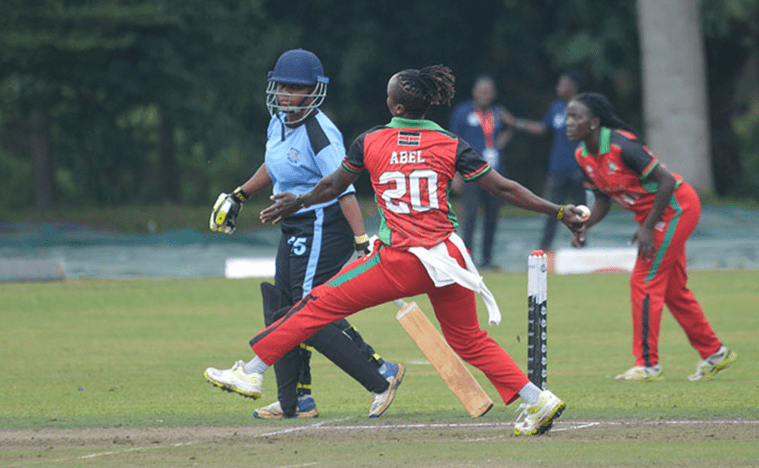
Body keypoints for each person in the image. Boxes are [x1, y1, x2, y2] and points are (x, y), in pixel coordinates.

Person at [204, 64, 588, 436]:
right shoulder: (448, 142)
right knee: (469, 340)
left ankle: (252, 370)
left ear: (397, 107)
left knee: (315, 304)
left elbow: (332, 186)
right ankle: (537, 399)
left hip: (401, 258)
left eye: (388, 95)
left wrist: (298, 201)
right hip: (448, 257)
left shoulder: (370, 141)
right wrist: (557, 210)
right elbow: (504, 189)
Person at [208, 48, 404, 419]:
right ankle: (295, 399)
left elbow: (344, 188)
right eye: (281, 85)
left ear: (313, 91)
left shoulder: (319, 133)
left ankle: (380, 376)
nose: (285, 93)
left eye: (295, 88)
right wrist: (241, 194)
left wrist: (362, 241)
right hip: (295, 224)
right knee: (281, 304)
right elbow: (273, 162)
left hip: (324, 225)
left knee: (306, 311)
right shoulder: (278, 121)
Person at [563, 92, 737, 382]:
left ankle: (647, 365)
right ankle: (715, 353)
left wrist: (647, 227)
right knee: (673, 291)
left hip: (677, 209)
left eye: (575, 116)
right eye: (567, 116)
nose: (568, 122)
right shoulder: (583, 155)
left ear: (593, 122)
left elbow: (666, 182)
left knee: (644, 281)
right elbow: (603, 200)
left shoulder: (622, 145)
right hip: (655, 218)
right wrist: (585, 225)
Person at [514, 71, 587, 251]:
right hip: (557, 169)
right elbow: (543, 128)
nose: (558, 88)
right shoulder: (556, 108)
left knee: (582, 212)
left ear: (572, 86)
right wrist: (518, 123)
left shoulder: (585, 107)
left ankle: (581, 247)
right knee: (552, 210)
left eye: (562, 84)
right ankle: (545, 250)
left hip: (579, 168)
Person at [449, 75, 516, 270]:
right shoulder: (463, 112)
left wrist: (501, 141)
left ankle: (487, 260)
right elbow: (453, 143)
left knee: (492, 217)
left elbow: (511, 126)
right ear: (474, 91)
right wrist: (456, 174)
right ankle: (467, 260)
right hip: (470, 173)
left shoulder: (498, 112)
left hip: (495, 172)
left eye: (489, 91)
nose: (485, 95)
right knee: (469, 217)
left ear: (494, 94)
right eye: (482, 90)